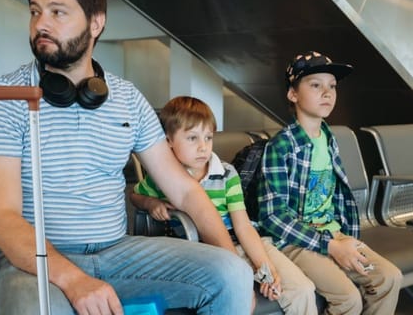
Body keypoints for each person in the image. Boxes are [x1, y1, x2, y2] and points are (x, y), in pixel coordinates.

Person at [0, 0, 253, 314]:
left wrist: (237, 268)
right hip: (34, 262)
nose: (40, 24)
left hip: (119, 251)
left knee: (232, 274)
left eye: (57, 12)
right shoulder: (4, 98)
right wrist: (75, 281)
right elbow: (1, 220)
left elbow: (186, 192)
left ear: (96, 22)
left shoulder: (128, 99)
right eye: (35, 12)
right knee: (37, 308)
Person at [131, 96, 319, 314]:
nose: (203, 147)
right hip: (203, 253)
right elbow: (135, 196)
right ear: (168, 140)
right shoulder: (162, 176)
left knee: (303, 289)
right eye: (192, 138)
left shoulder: (227, 173)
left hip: (243, 242)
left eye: (208, 137)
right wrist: (150, 202)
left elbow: (243, 227)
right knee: (236, 298)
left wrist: (264, 268)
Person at [257, 51, 403, 314]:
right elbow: (273, 216)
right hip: (297, 242)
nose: (327, 92)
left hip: (334, 234)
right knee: (348, 299)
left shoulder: (328, 138)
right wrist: (330, 246)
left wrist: (342, 241)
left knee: (388, 278)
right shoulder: (282, 146)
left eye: (332, 86)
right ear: (293, 94)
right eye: (315, 85)